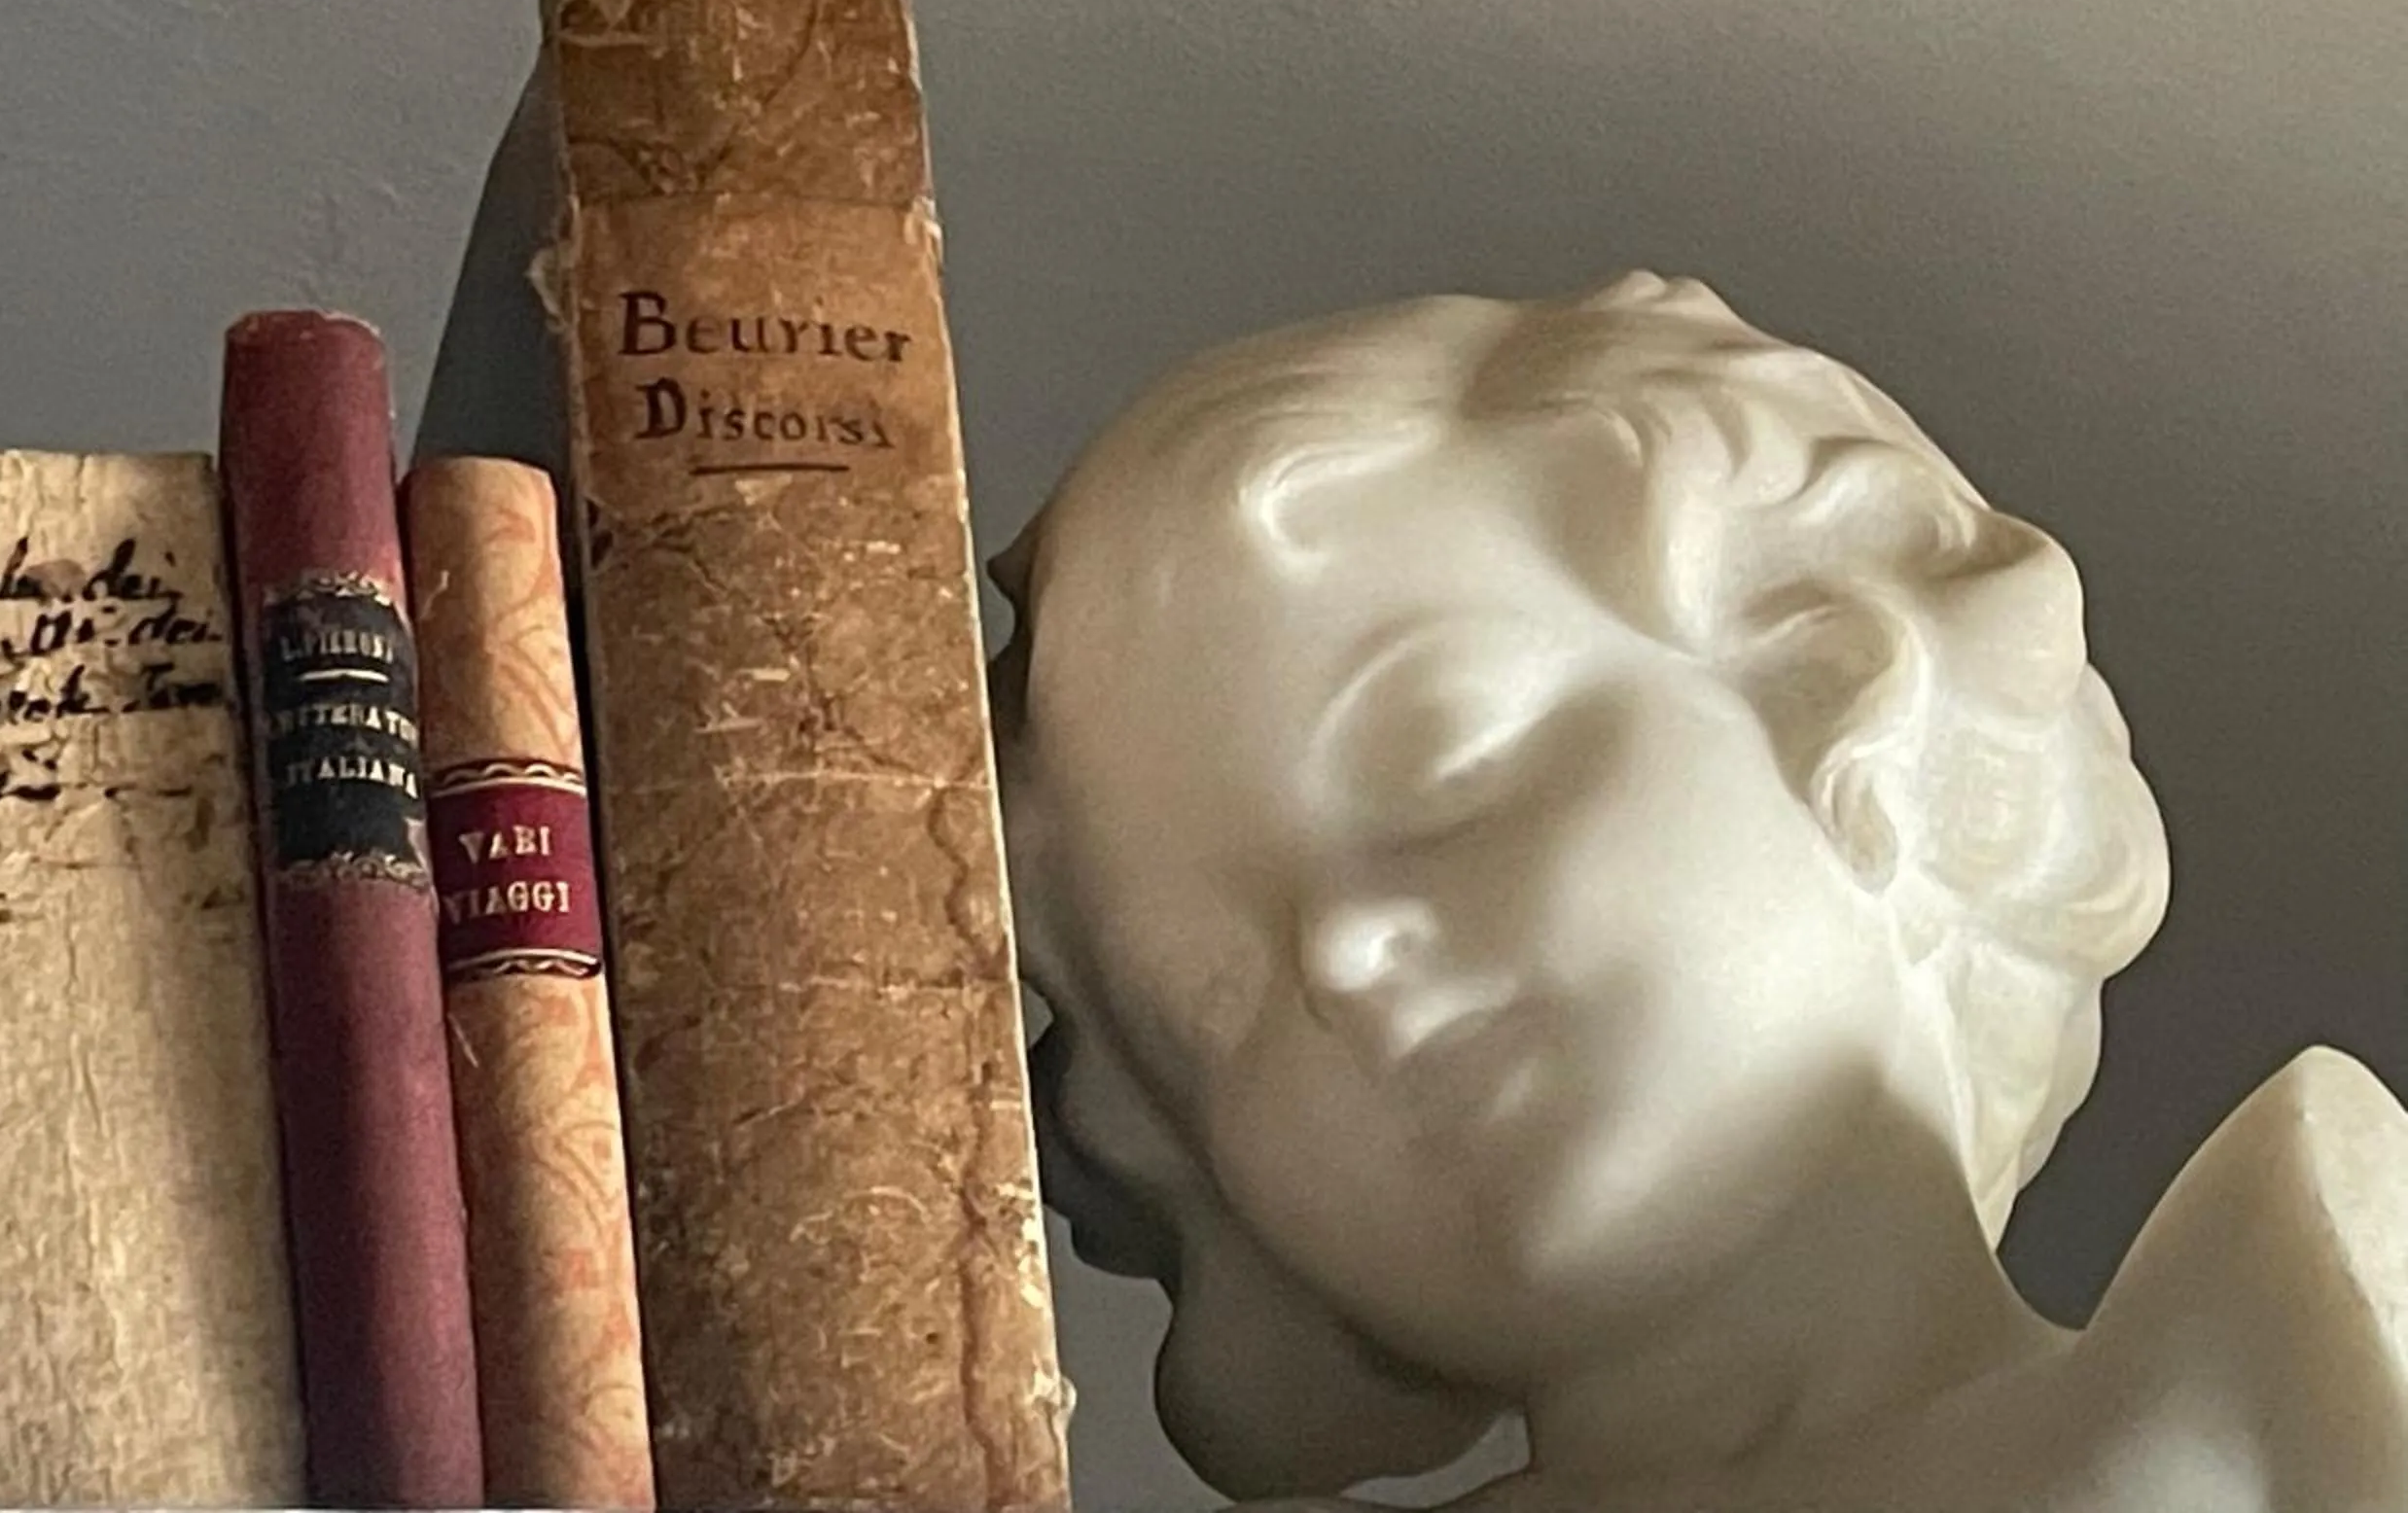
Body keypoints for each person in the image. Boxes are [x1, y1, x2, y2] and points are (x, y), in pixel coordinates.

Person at [990, 272, 2408, 1512]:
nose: (1346, 951)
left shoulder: (2294, 1394)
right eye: (1207, 1005)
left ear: (1836, 670)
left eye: (1436, 757)